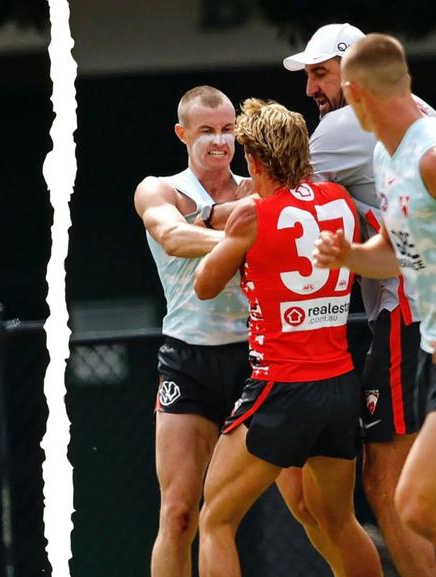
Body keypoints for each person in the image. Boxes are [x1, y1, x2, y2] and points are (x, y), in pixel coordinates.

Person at [194, 98, 382, 577]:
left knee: (215, 519)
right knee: (339, 521)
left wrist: (228, 231)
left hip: (281, 386)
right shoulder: (338, 200)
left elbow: (205, 285)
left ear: (255, 159)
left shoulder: (254, 215)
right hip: (339, 383)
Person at [284, 23, 436, 577]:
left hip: (411, 322)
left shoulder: (419, 153)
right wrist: (347, 255)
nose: (315, 93)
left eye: (322, 76)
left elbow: (277, 197)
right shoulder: (385, 154)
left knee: (391, 485)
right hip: (423, 333)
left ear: (358, 90)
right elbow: (395, 251)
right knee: (415, 500)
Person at [134, 86, 251, 577]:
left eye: (227, 130)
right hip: (188, 358)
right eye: (207, 131)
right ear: (183, 134)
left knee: (306, 505)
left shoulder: (254, 190)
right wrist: (240, 234)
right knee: (179, 513)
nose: (219, 142)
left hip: (257, 357)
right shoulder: (160, 188)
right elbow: (172, 235)